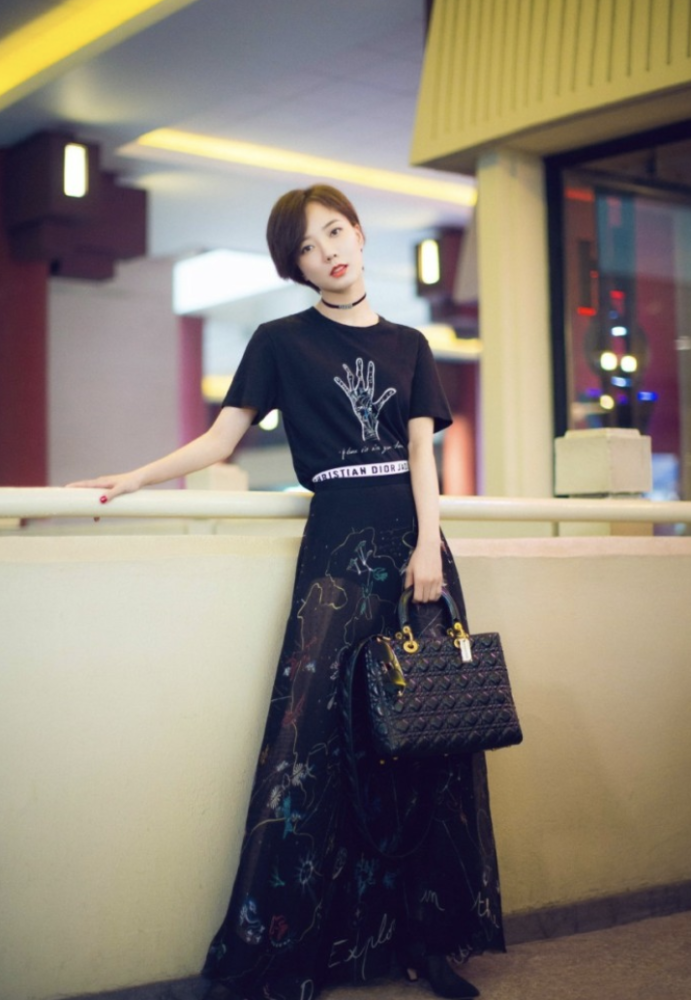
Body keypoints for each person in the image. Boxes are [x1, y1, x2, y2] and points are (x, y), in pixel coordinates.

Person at [68, 185, 505, 1000]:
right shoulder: (280, 342)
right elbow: (219, 439)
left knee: (426, 740)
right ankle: (304, 949)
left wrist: (427, 549)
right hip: (335, 551)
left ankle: (427, 941)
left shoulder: (411, 344)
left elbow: (421, 456)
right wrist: (132, 478)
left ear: (360, 234)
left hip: (414, 553)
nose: (327, 251)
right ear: (295, 265)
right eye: (307, 245)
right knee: (319, 745)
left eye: (334, 231)